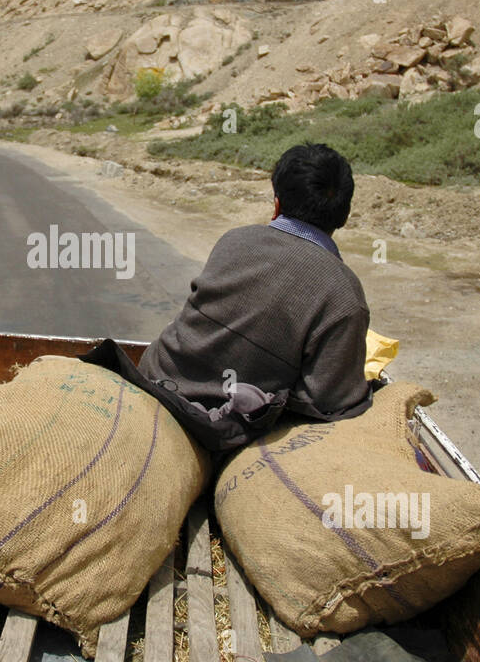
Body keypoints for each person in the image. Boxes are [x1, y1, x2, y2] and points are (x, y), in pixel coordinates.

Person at [134, 142, 372, 450]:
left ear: (276, 204)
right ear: (344, 216)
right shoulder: (344, 293)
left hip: (154, 377)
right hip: (214, 426)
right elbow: (329, 402)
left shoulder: (234, 240)